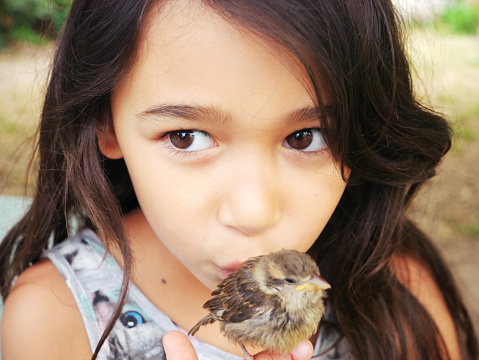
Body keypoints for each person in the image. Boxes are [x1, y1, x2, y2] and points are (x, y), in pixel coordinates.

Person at [0, 0, 477, 359]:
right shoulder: (54, 319)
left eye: (307, 137)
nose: (252, 213)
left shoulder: (397, 288)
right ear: (105, 125)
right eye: (186, 137)